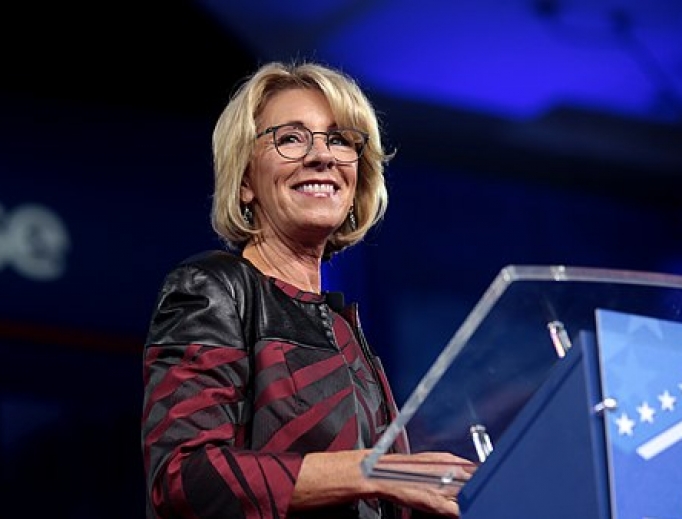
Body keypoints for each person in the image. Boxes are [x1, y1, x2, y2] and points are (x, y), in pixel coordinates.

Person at [140, 60, 476, 519]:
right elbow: (181, 477)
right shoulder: (212, 289)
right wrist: (370, 470)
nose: (322, 156)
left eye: (339, 139)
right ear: (244, 181)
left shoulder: (345, 330)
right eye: (291, 138)